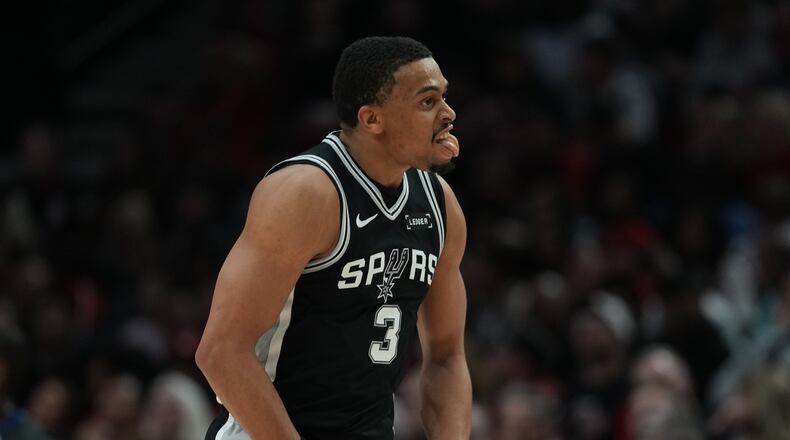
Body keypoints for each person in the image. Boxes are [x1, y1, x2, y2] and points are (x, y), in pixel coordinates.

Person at [196, 36, 472, 440]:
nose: (448, 113)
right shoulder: (306, 193)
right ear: (372, 119)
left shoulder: (439, 205)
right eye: (428, 102)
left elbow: (447, 356)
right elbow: (221, 352)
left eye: (444, 97)